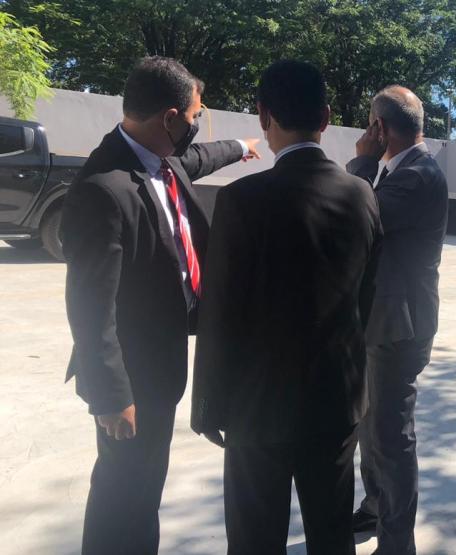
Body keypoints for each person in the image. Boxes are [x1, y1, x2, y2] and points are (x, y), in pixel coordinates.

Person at [62, 56, 259, 554]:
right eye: (194, 116)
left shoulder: (160, 160)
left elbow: (201, 158)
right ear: (170, 118)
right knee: (123, 490)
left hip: (163, 360)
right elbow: (89, 305)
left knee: (145, 484)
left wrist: (242, 147)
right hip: (133, 374)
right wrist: (110, 396)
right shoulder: (102, 189)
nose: (196, 125)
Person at [190, 60, 383, 555]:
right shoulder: (361, 195)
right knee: (332, 534)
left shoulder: (240, 199)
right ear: (326, 118)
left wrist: (207, 404)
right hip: (336, 397)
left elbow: (219, 312)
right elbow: (365, 297)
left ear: (263, 116)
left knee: (255, 539)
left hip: (257, 404)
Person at [346, 86, 449, 555]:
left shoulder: (417, 176)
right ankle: (375, 508)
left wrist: (362, 164)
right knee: (372, 430)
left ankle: (396, 544)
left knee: (391, 437)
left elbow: (355, 221)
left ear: (379, 128)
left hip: (400, 325)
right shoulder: (403, 171)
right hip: (383, 320)